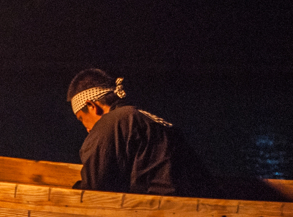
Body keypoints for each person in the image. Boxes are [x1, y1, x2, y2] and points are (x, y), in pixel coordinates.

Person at [67, 68, 214, 197]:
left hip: (163, 213)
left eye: (81, 119)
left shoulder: (112, 122)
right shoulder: (144, 117)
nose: (87, 129)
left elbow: (93, 188)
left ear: (91, 106)